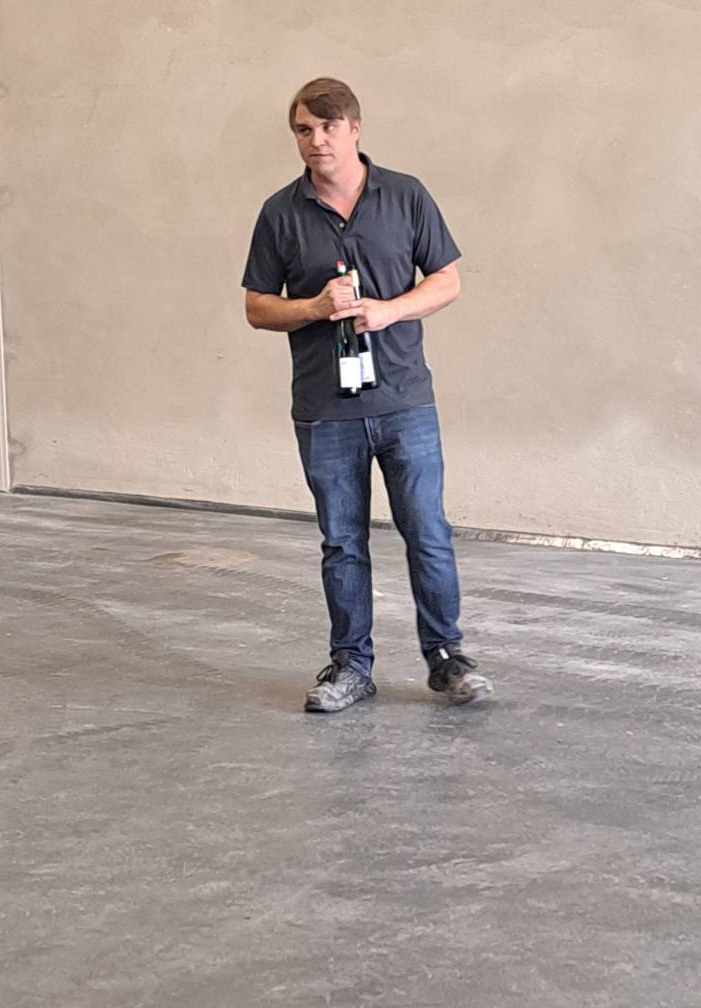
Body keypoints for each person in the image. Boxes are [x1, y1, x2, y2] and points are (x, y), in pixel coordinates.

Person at [242, 77, 493, 713]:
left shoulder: (405, 196)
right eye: (304, 129)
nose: (316, 140)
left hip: (405, 401)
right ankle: (351, 666)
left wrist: (388, 311)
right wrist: (313, 306)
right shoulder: (280, 212)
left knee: (427, 531)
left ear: (354, 128)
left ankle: (446, 659)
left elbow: (447, 281)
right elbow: (257, 307)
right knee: (342, 542)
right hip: (325, 410)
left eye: (328, 127)